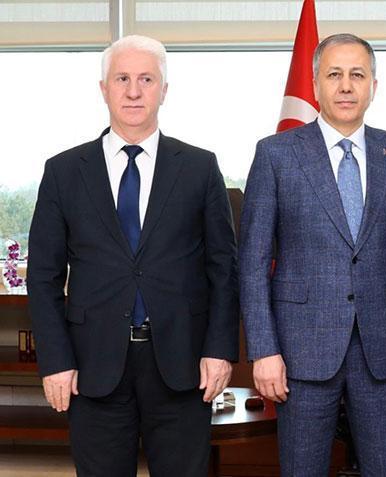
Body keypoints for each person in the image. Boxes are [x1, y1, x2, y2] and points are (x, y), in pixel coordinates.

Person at [28, 35, 239, 476]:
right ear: (103, 88)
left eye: (146, 79)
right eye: (122, 79)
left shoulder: (200, 167)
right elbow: (43, 277)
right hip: (92, 367)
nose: (133, 91)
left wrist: (220, 350)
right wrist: (56, 361)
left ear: (164, 90)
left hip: (183, 366)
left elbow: (223, 269)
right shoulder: (63, 171)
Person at [239, 33, 386, 477]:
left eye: (357, 75)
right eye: (334, 75)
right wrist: (264, 350)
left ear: (373, 86)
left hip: (384, 347)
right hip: (300, 350)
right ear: (315, 84)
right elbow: (252, 263)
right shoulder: (276, 154)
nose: (346, 86)